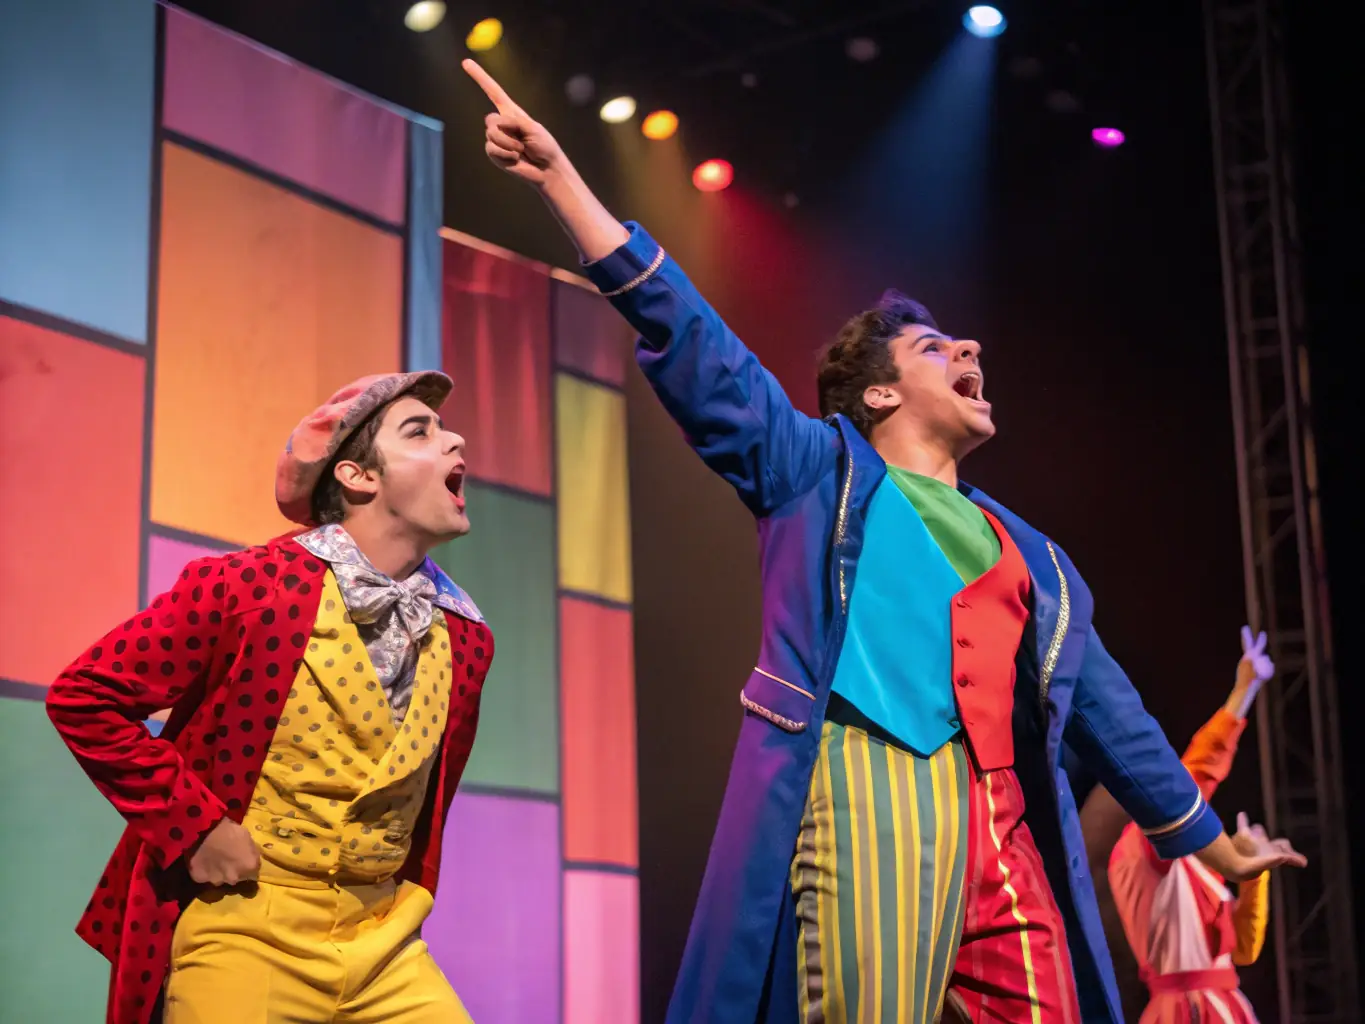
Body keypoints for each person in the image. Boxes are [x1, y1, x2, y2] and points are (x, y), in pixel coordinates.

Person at [461, 61, 1305, 1024]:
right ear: (876, 394)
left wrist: (1210, 845)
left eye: (965, 346)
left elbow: (1119, 725)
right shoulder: (816, 474)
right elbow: (698, 349)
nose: (970, 352)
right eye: (935, 349)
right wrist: (567, 184)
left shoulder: (1037, 560)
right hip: (866, 785)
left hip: (1000, 818)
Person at [46, 372, 493, 1024]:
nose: (455, 439)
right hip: (245, 925)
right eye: (419, 430)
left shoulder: (467, 636)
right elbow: (85, 695)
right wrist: (194, 825)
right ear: (357, 476)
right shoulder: (250, 587)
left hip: (385, 937)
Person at [1078, 627, 1280, 1023]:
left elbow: (1240, 950)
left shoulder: (1190, 866)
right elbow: (1198, 772)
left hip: (1219, 1003)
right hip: (1189, 1010)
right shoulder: (1143, 852)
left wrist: (1255, 874)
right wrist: (1243, 692)